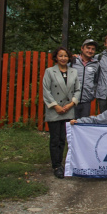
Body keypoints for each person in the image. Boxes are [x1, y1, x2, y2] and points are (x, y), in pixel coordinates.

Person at [42, 47, 81, 178]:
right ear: (56, 58)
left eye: (65, 56)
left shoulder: (74, 72)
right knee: (55, 139)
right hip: (55, 110)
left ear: (69, 57)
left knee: (63, 139)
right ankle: (56, 165)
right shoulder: (49, 72)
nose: (63, 58)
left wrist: (71, 104)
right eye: (60, 56)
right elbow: (46, 91)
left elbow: (78, 90)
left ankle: (64, 163)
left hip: (68, 110)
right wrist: (56, 106)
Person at [70, 39, 100, 119]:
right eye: (88, 48)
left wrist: (92, 94)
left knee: (83, 125)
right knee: (71, 124)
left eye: (93, 49)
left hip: (86, 101)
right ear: (82, 48)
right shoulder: (73, 61)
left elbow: (96, 81)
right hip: (71, 100)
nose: (90, 51)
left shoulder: (96, 64)